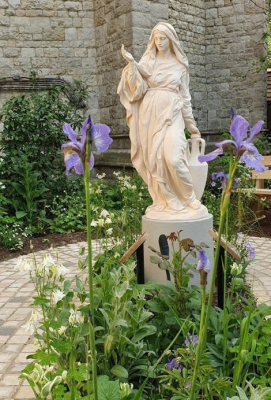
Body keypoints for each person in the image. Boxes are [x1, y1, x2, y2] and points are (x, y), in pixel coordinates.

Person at [117, 22, 207, 219]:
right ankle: (166, 199)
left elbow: (185, 97)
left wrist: (192, 127)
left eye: (163, 38)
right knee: (154, 160)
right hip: (149, 115)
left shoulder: (180, 65)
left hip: (172, 112)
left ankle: (189, 198)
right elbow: (136, 90)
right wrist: (132, 66)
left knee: (173, 158)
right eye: (156, 38)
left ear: (171, 39)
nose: (159, 42)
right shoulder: (148, 62)